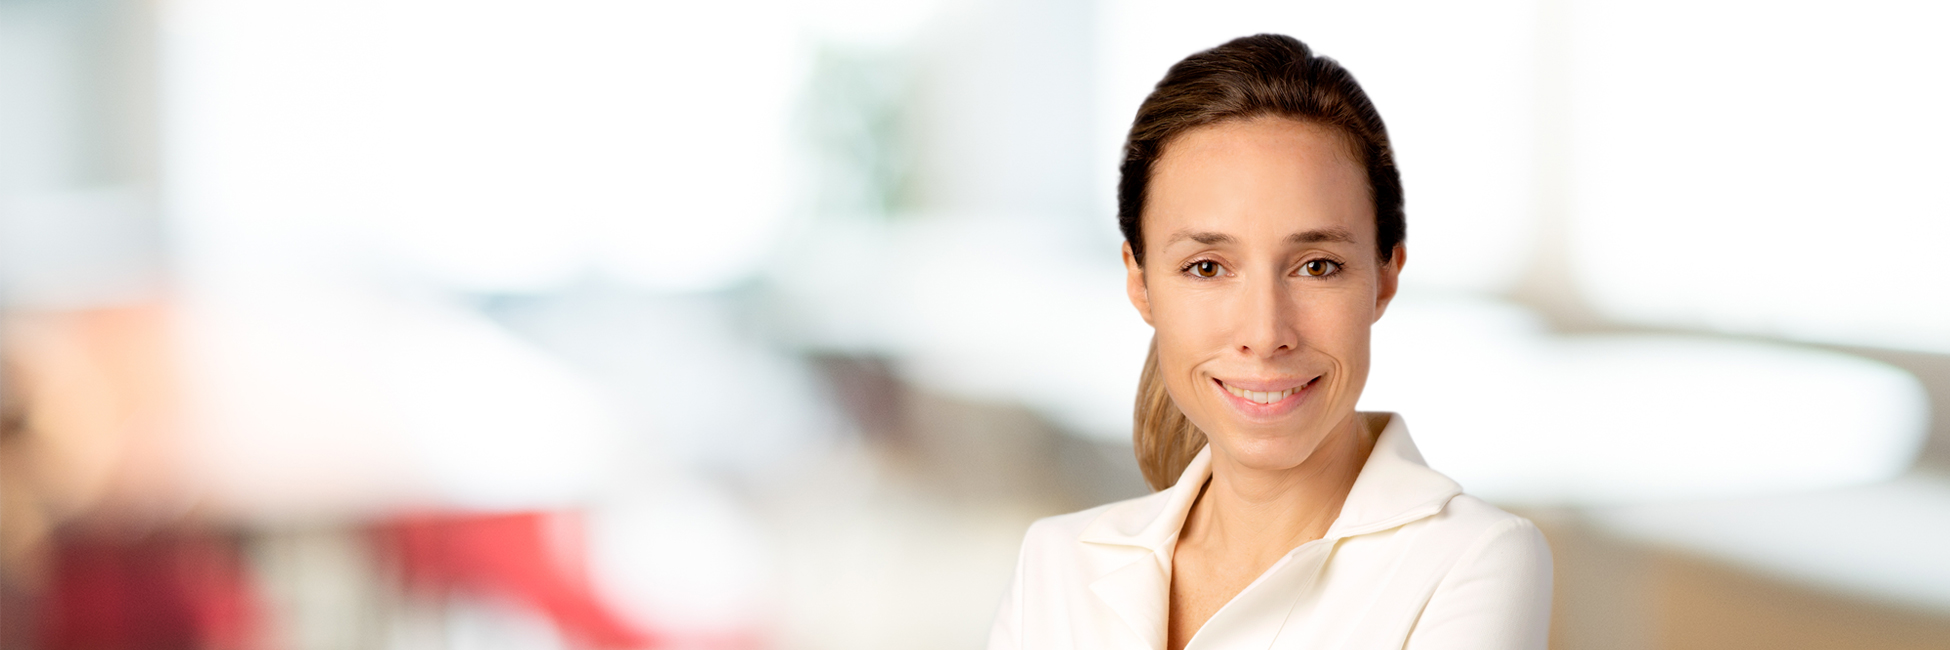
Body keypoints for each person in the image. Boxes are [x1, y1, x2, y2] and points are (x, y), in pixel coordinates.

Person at [987, 34, 1552, 650]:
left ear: (1385, 275)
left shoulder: (1471, 561)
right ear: (1140, 282)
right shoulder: (1056, 562)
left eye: (1316, 266)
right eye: (1207, 267)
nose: (1264, 334)